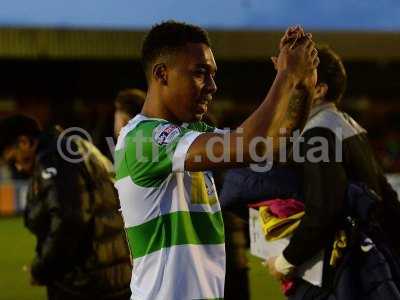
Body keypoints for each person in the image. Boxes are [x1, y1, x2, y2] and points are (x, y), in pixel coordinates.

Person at [114, 21, 318, 299]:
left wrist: (303, 86)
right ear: (162, 74)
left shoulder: (192, 135)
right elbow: (246, 145)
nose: (212, 86)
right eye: (200, 73)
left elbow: (270, 146)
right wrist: (284, 75)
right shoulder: (143, 138)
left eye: (212, 74)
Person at [263, 44, 400, 298]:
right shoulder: (346, 125)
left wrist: (285, 261)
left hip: (336, 274)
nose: (282, 90)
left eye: (290, 81)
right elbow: (386, 197)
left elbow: (324, 210)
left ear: (318, 90)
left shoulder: (319, 133)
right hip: (363, 265)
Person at [0, 115, 132, 300]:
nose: (19, 168)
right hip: (110, 274)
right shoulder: (71, 147)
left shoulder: (54, 158)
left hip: (85, 284)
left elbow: (68, 221)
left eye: (14, 159)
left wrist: (41, 269)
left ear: (24, 142)